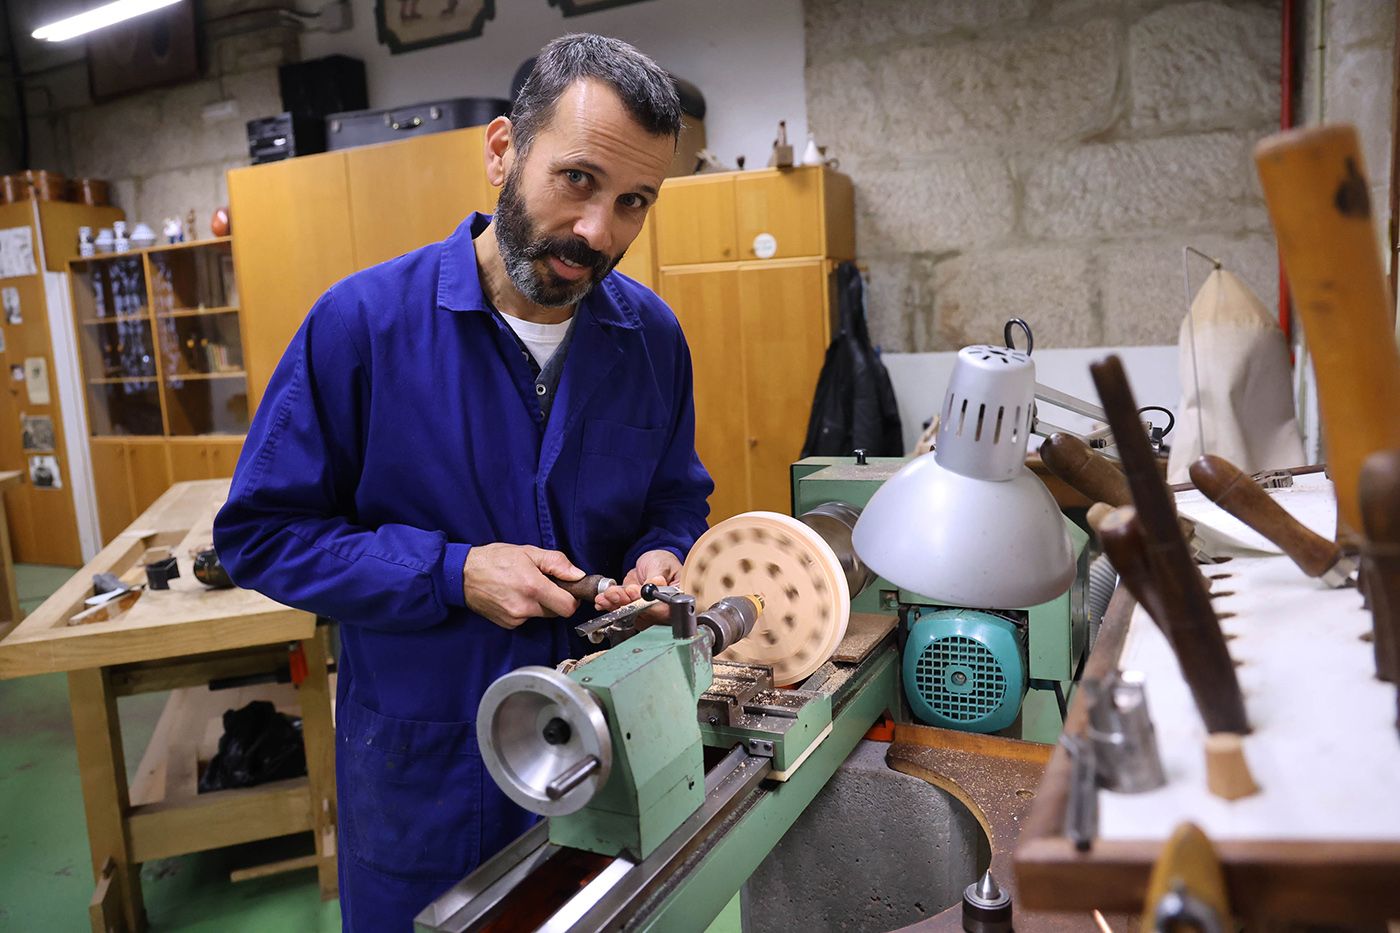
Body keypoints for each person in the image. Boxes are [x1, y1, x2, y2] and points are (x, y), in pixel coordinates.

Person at [213, 33, 712, 931]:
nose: (600, 232)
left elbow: (674, 494)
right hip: (429, 772)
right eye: (578, 181)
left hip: (612, 750)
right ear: (501, 151)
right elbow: (261, 534)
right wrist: (451, 572)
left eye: (634, 202)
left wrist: (660, 551)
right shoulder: (360, 327)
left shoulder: (653, 339)